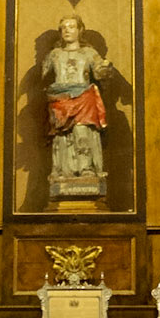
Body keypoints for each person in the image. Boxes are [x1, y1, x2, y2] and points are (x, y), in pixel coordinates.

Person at [43, 13, 111, 200]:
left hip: (83, 99)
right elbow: (43, 75)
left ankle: (86, 169)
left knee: (82, 133)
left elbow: (100, 71)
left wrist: (105, 69)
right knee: (62, 138)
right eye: (63, 27)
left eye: (71, 27)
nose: (67, 30)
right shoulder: (55, 54)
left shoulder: (89, 53)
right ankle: (63, 172)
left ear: (80, 30)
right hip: (61, 100)